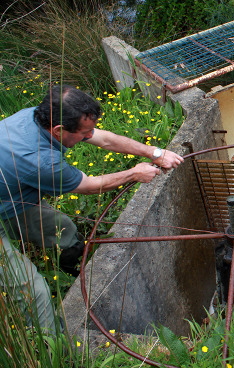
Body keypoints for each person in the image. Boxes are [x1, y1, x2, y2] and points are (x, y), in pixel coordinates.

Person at [0, 84, 183, 332]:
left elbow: (104, 139)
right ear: (58, 130)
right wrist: (133, 173)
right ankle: (55, 348)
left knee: (62, 229)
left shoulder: (40, 116)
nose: (90, 136)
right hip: (11, 194)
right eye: (85, 133)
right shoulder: (40, 161)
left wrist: (154, 152)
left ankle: (74, 269)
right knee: (35, 293)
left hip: (12, 196)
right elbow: (89, 186)